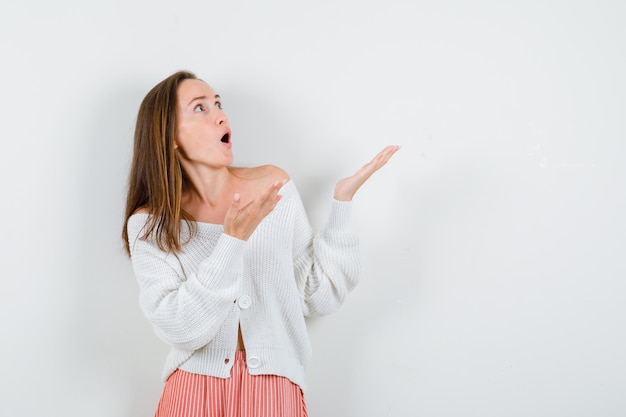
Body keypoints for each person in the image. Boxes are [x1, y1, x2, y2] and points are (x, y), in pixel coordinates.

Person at [122, 70, 399, 417]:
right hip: (192, 391)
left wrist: (341, 204)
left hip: (276, 387)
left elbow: (317, 294)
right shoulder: (151, 223)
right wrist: (232, 241)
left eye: (218, 103)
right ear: (170, 136)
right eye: (200, 108)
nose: (220, 114)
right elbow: (181, 328)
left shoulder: (273, 187)